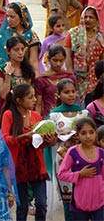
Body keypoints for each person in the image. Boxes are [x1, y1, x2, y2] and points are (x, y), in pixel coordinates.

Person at [1, 83, 57, 221]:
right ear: (19, 101)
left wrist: (50, 141)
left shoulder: (36, 116)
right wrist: (24, 136)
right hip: (18, 165)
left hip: (36, 164)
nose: (35, 100)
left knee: (42, 204)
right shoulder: (9, 115)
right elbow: (4, 139)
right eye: (30, 97)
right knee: (23, 206)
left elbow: (39, 143)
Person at [47, 78, 89, 221]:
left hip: (84, 157)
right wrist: (60, 137)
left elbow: (92, 133)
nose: (71, 95)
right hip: (63, 159)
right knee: (68, 197)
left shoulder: (84, 113)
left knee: (85, 194)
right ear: (58, 95)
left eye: (73, 91)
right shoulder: (53, 115)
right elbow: (49, 139)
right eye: (66, 92)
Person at [58, 117, 104, 221]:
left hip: (99, 202)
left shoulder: (101, 153)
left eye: (91, 132)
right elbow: (61, 174)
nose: (88, 136)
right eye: (83, 133)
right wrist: (79, 174)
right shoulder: (73, 152)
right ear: (77, 135)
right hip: (79, 204)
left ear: (96, 134)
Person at [64, 6, 104, 105]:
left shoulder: (100, 36)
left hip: (95, 77)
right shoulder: (73, 33)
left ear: (96, 20)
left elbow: (102, 58)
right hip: (77, 77)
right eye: (85, 17)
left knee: (93, 104)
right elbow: (67, 56)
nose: (88, 20)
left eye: (91, 17)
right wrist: (70, 74)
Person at [0, 2, 41, 78]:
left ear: (21, 17)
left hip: (24, 75)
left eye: (12, 17)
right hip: (4, 76)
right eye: (7, 16)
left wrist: (36, 79)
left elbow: (33, 61)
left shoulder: (31, 36)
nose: (8, 20)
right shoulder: (2, 35)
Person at [0, 36, 35, 110]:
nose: (20, 53)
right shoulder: (0, 70)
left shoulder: (28, 70)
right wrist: (8, 75)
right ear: (8, 51)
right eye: (16, 50)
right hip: (8, 110)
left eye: (23, 49)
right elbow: (4, 95)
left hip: (26, 110)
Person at [35, 45, 76, 118]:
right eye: (55, 60)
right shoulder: (42, 80)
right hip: (48, 116)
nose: (58, 64)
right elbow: (39, 104)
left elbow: (74, 99)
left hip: (67, 116)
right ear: (48, 59)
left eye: (61, 61)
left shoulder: (70, 77)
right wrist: (38, 120)